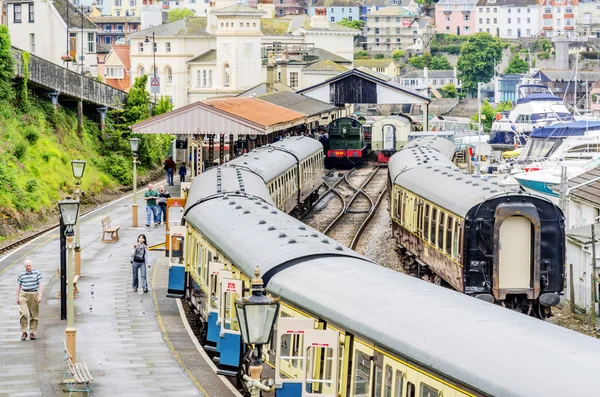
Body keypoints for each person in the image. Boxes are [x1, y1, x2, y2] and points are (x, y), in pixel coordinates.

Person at [16, 260, 44, 341]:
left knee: (34, 314)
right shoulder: (21, 274)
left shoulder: (37, 273)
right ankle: (24, 332)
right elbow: (18, 286)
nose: (28, 268)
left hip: (34, 293)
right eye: (26, 266)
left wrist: (40, 295)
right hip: (24, 294)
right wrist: (17, 297)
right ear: (24, 267)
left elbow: (41, 284)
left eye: (29, 266)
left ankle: (32, 332)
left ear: (32, 265)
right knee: (23, 313)